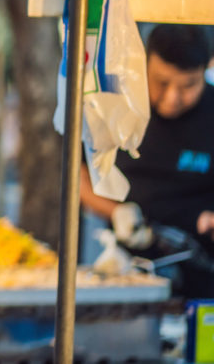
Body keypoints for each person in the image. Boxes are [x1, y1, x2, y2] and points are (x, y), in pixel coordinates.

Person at [80, 24, 214, 298]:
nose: (173, 97)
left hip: (203, 273)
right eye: (162, 83)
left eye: (188, 85)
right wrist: (115, 211)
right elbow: (79, 177)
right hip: (126, 271)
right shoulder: (116, 104)